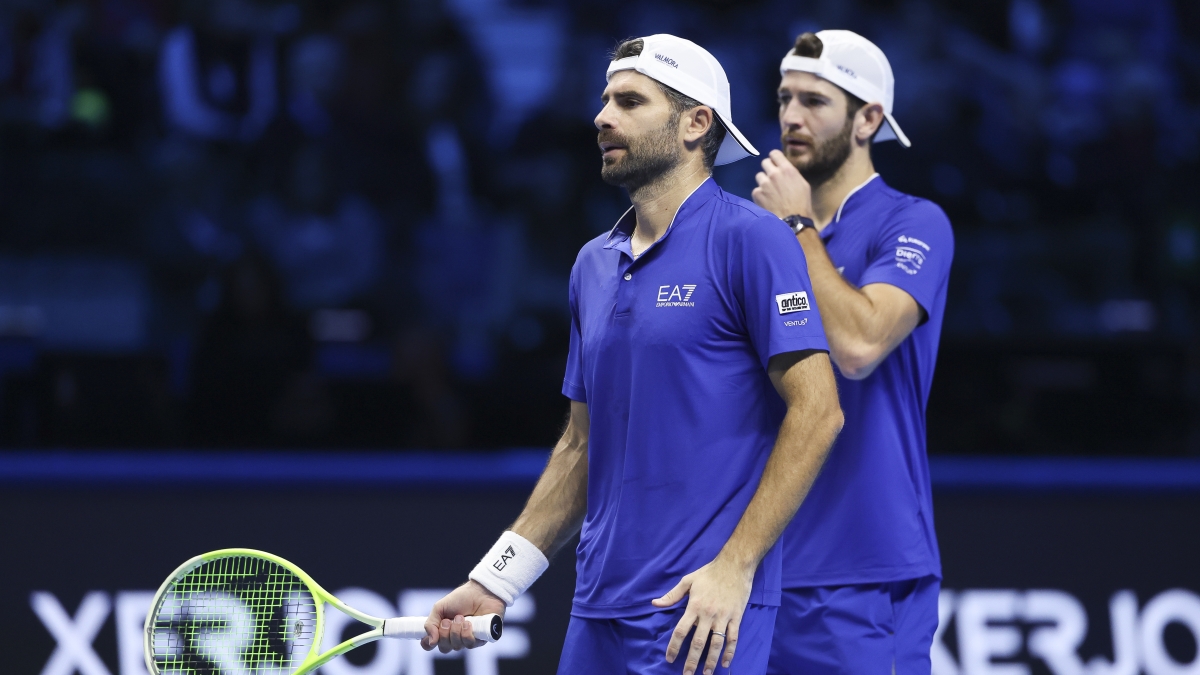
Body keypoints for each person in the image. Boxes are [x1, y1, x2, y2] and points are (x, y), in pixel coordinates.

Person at [420, 34, 844, 675]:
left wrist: (735, 567)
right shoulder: (592, 265)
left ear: (695, 124)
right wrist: (497, 581)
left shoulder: (752, 241)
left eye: (630, 101)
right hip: (596, 614)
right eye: (605, 99)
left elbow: (819, 413)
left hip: (698, 615)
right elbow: (579, 449)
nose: (602, 117)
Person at [750, 30, 955, 674]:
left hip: (865, 575)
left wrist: (796, 227)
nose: (790, 117)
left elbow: (861, 344)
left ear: (869, 119)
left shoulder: (913, 222)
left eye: (815, 101)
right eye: (785, 98)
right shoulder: (757, 233)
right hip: (755, 569)